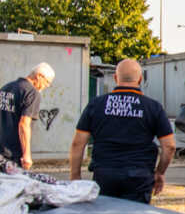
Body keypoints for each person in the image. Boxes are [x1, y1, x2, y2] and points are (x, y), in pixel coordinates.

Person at [69, 59, 175, 203]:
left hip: (105, 175)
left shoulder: (96, 104)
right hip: (139, 177)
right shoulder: (153, 107)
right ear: (140, 79)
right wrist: (160, 172)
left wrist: (75, 176)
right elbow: (169, 146)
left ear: (115, 78)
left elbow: (78, 144)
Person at [0, 62, 55, 169]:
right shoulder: (32, 93)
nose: (47, 86)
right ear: (39, 76)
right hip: (11, 153)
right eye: (47, 82)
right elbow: (24, 124)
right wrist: (27, 155)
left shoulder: (6, 87)